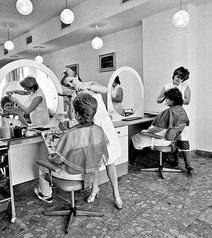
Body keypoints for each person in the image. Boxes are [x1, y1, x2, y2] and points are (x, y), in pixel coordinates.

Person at [60, 68, 123, 209]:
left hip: (104, 127)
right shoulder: (75, 95)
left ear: (77, 76)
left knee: (110, 161)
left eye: (71, 81)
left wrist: (86, 86)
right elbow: (72, 117)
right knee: (93, 162)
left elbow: (106, 90)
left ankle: (116, 194)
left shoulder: (91, 85)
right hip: (89, 129)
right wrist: (70, 103)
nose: (71, 85)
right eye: (68, 85)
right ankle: (95, 188)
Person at [34, 93, 109, 204]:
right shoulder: (99, 130)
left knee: (42, 165)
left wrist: (50, 159)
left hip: (71, 175)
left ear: (77, 114)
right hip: (91, 172)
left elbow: (59, 160)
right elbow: (98, 155)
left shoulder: (70, 134)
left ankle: (46, 195)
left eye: (73, 111)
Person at [132, 88, 194, 173]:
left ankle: (132, 162)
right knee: (183, 137)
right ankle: (188, 164)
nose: (166, 101)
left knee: (134, 136)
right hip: (172, 140)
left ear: (172, 100)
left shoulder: (169, 111)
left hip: (162, 139)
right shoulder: (182, 110)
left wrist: (147, 131)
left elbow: (158, 128)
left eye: (167, 99)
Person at [157, 67, 193, 170]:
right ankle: (173, 158)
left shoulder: (185, 87)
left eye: (181, 78)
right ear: (174, 75)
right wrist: (165, 96)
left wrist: (177, 97)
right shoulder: (166, 86)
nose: (178, 79)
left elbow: (187, 101)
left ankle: (188, 164)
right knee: (169, 135)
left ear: (183, 80)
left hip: (179, 114)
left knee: (182, 136)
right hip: (167, 113)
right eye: (177, 76)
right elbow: (158, 100)